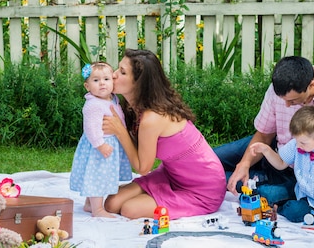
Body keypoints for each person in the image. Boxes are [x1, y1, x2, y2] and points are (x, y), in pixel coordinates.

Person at [214, 55, 314, 238]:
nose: (286, 105)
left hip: (299, 172)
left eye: (293, 101)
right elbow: (265, 135)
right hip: (276, 151)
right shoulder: (282, 87)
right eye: (283, 99)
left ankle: (228, 179)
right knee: (209, 158)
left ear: (312, 85)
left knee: (241, 185)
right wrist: (244, 164)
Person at [102, 49, 226, 220]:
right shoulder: (135, 107)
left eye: (122, 72)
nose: (114, 75)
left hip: (203, 189)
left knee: (129, 209)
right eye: (118, 68)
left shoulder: (152, 118)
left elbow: (142, 168)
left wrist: (120, 131)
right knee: (111, 203)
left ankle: (161, 197)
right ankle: (158, 194)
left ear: (140, 83)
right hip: (172, 174)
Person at [249, 106, 314, 225]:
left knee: (293, 210)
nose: (298, 146)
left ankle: (278, 208)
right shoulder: (300, 142)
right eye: (296, 141)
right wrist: (265, 150)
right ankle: (272, 200)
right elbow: (281, 163)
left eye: (302, 143)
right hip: (300, 189)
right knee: (265, 193)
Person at [70, 62, 133, 218]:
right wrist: (100, 145)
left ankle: (88, 204)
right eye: (96, 80)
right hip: (99, 146)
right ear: (87, 86)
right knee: (97, 175)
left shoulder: (112, 99)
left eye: (106, 79)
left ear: (112, 81)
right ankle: (97, 209)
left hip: (110, 142)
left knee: (101, 174)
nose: (102, 83)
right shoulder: (93, 105)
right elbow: (90, 128)